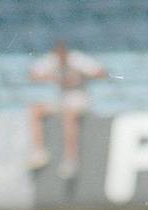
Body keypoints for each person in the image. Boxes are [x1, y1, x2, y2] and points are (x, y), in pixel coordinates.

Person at [28, 40, 109, 180]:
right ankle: (39, 151)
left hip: (79, 100)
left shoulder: (78, 60)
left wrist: (80, 77)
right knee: (36, 110)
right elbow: (33, 75)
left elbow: (101, 72)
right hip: (62, 100)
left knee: (69, 116)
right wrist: (52, 78)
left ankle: (70, 159)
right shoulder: (52, 61)